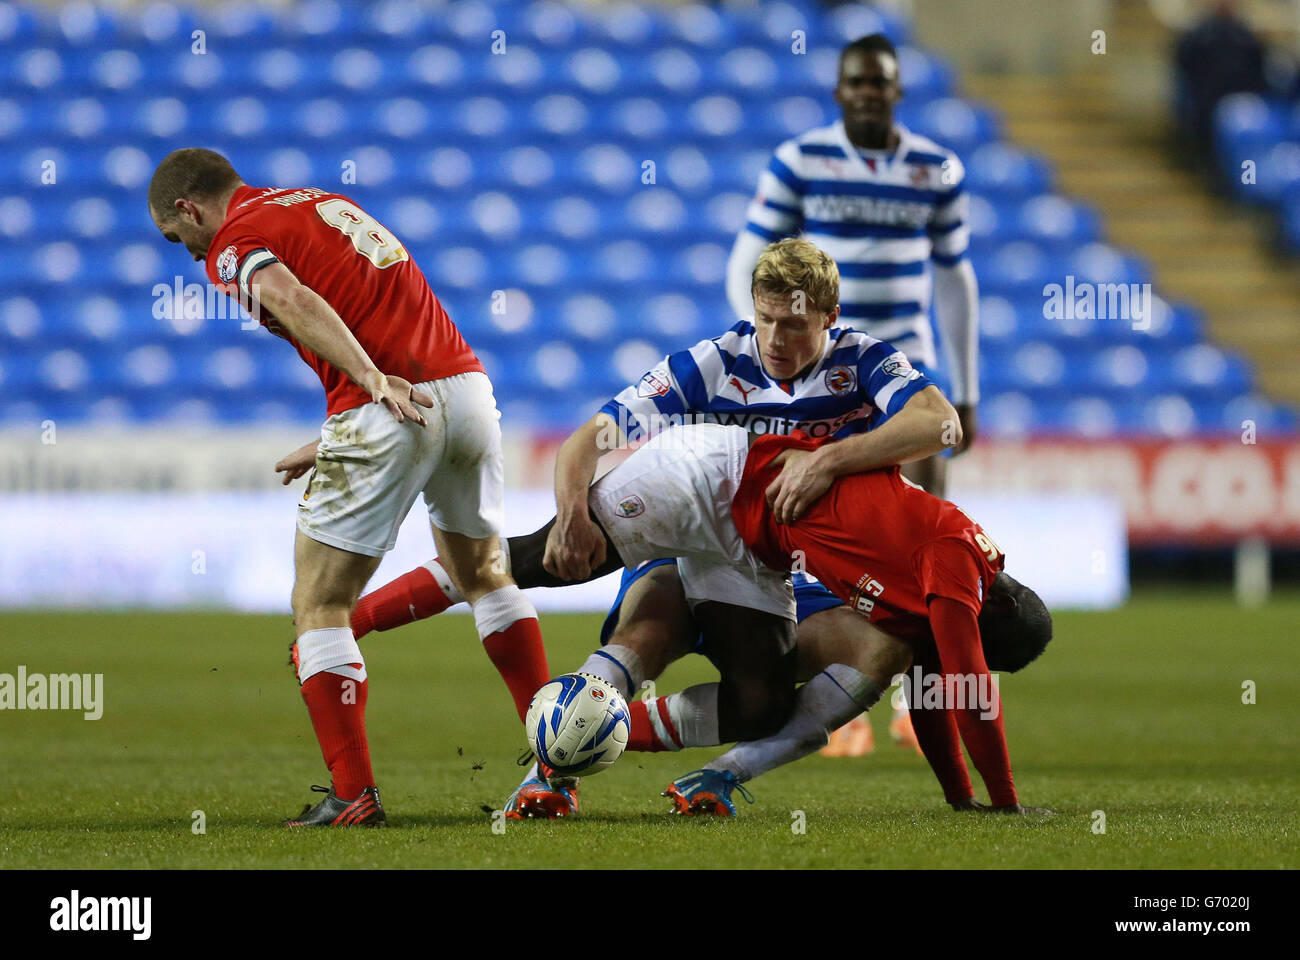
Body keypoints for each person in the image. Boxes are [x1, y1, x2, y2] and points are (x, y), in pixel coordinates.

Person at [317, 238, 962, 816]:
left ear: (829, 317)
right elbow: (587, 441)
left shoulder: (863, 362)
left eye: (792, 324)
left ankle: (626, 743)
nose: (773, 339)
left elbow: (941, 425)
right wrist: (573, 514)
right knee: (642, 619)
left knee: (762, 702)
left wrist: (829, 460)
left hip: (773, 558)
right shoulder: (713, 362)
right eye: (764, 319)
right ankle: (539, 767)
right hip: (687, 515)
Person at [148, 148, 552, 826]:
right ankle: (555, 767)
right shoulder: (313, 203)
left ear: (189, 208)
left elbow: (290, 297)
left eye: (176, 235)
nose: (187, 254)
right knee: (484, 574)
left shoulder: (232, 243)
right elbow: (378, 304)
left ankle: (353, 795)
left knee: (319, 602)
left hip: (387, 402)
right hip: (467, 392)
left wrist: (366, 386)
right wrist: (341, 425)